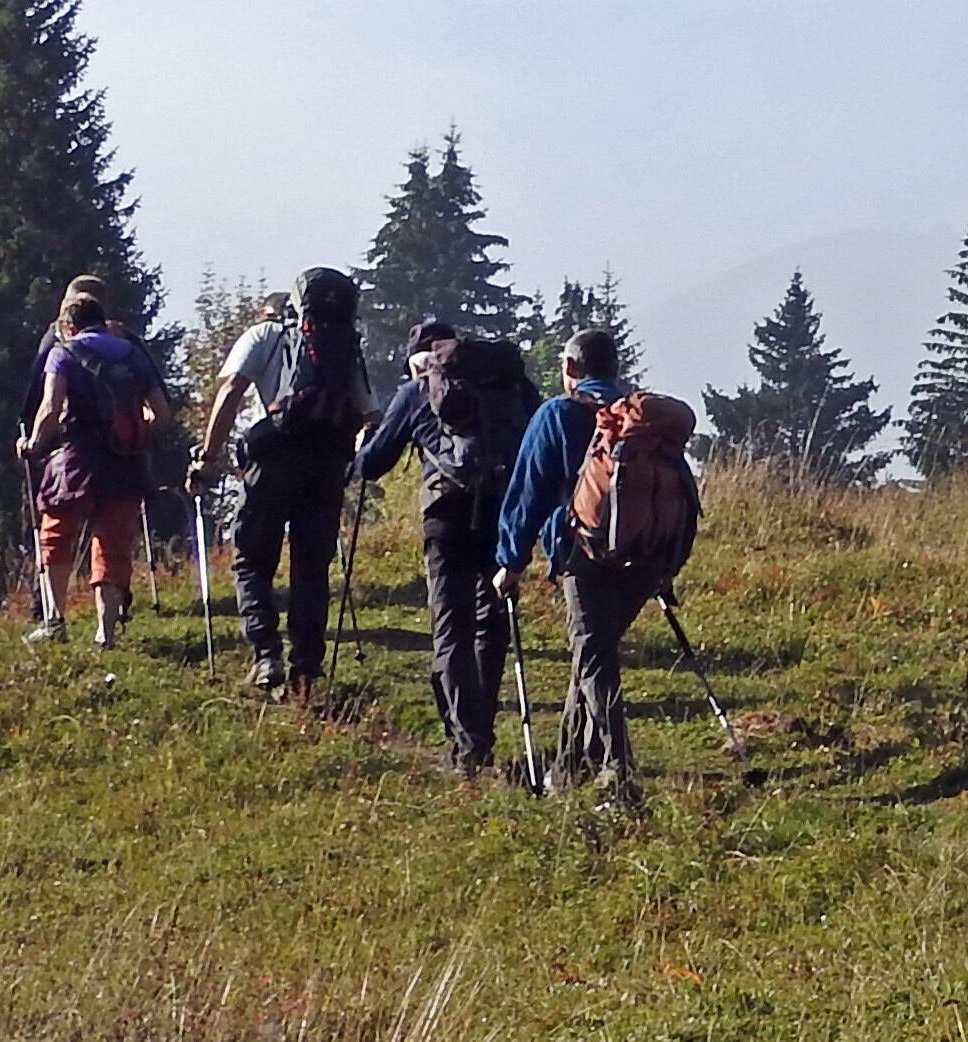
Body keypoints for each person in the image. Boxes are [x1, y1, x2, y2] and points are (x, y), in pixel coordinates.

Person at [492, 328, 696, 806]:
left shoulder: (558, 413)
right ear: (615, 367)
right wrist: (667, 563)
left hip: (583, 555)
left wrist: (510, 561)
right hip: (644, 558)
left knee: (594, 658)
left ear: (570, 368)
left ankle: (617, 772)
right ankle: (568, 769)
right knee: (592, 656)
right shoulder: (641, 419)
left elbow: (528, 492)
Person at [354, 318, 546, 774]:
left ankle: (467, 743)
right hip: (502, 510)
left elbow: (373, 465)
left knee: (451, 629)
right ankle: (481, 731)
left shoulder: (417, 391)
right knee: (490, 623)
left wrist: (362, 445)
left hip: (447, 514)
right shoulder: (508, 386)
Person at [187, 268, 370, 700]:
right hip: (327, 465)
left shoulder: (264, 336)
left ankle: (266, 655)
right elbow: (370, 415)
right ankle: (306, 667)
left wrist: (207, 458)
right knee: (311, 567)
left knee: (252, 560)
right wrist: (355, 463)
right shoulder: (347, 346)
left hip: (272, 461)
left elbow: (231, 390)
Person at [21, 292, 174, 646]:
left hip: (76, 459)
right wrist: (130, 426)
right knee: (112, 542)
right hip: (126, 461)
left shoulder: (63, 352)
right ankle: (106, 632)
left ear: (68, 326)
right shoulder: (132, 353)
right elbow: (162, 414)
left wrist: (33, 443)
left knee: (56, 534)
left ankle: (54, 621)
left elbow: (50, 407)